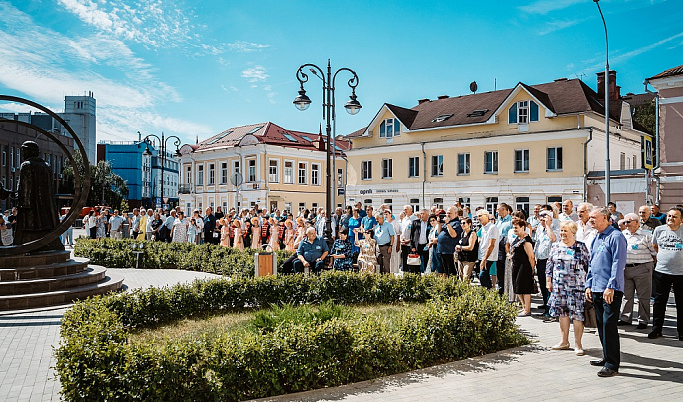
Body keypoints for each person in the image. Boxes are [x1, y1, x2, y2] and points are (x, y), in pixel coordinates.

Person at [585, 206, 627, 377]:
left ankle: (612, 363)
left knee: (609, 325)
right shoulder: (597, 237)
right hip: (596, 287)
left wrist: (611, 286)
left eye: (593, 218)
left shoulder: (616, 237)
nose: (590, 221)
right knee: (601, 325)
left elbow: (618, 264)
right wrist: (588, 284)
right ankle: (606, 356)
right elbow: (592, 263)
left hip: (611, 289)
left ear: (605, 217)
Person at [546, 220, 589, 355]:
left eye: (566, 231)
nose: (563, 233)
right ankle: (564, 341)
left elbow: (588, 266)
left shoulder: (581, 247)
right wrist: (548, 281)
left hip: (577, 287)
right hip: (559, 287)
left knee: (577, 315)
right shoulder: (555, 246)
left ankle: (578, 344)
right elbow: (549, 265)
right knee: (562, 314)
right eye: (562, 230)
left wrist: (589, 285)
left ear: (573, 233)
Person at [649, 206, 683, 340]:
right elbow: (655, 246)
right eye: (669, 215)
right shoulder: (659, 230)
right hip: (662, 271)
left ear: (681, 220)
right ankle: (656, 329)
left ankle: (681, 331)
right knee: (659, 302)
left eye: (674, 216)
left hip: (681, 273)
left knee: (681, 303)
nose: (670, 218)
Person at [618, 213, 655, 329]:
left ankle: (643, 320)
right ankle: (625, 318)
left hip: (642, 268)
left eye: (628, 222)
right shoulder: (623, 235)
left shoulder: (647, 235)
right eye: (624, 222)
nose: (626, 224)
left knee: (643, 296)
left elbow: (654, 252)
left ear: (636, 222)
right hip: (626, 268)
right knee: (626, 295)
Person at [509, 217, 536, 316]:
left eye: (516, 228)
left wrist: (532, 269)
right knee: (517, 287)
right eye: (514, 228)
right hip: (516, 265)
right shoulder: (517, 238)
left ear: (522, 227)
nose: (514, 230)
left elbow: (531, 256)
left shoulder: (526, 240)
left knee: (524, 288)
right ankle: (524, 306)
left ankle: (527, 309)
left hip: (524, 267)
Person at [534, 210, 559, 317]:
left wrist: (548, 226)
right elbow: (537, 242)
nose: (542, 218)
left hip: (550, 261)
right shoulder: (540, 228)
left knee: (550, 286)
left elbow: (553, 238)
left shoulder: (555, 226)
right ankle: (546, 306)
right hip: (540, 260)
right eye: (540, 216)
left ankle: (551, 311)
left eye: (545, 216)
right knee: (543, 285)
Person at [437, 206, 463, 277]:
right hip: (442, 250)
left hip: (450, 251)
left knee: (451, 272)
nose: (447, 215)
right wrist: (439, 223)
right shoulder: (447, 222)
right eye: (447, 213)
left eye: (450, 213)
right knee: (445, 271)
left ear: (456, 213)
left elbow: (453, 235)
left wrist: (448, 224)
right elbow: (439, 232)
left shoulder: (457, 223)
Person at [477, 210, 500, 289]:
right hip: (481, 255)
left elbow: (491, 244)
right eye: (477, 216)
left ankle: (489, 293)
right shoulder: (483, 228)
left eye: (480, 216)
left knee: (482, 275)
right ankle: (488, 294)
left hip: (488, 256)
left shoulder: (492, 227)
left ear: (486, 216)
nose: (478, 218)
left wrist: (484, 258)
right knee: (484, 277)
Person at [456, 217, 478, 283]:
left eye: (464, 223)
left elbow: (470, 247)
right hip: (461, 258)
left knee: (466, 277)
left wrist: (460, 247)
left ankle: (466, 292)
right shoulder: (462, 233)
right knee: (461, 276)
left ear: (469, 224)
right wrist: (458, 249)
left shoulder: (472, 234)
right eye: (461, 223)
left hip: (469, 259)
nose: (462, 225)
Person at [410, 209, 431, 274]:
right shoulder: (416, 222)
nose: (422, 215)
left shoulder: (429, 223)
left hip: (426, 246)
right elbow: (412, 235)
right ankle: (417, 277)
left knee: (426, 262)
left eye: (423, 214)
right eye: (421, 213)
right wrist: (412, 246)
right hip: (417, 245)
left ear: (428, 215)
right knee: (416, 263)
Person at [400, 205, 418, 272]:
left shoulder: (415, 219)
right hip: (404, 243)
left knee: (411, 262)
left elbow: (416, 233)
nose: (405, 211)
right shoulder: (404, 219)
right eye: (404, 209)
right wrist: (401, 239)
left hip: (411, 244)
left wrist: (409, 240)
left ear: (411, 210)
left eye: (406, 209)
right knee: (404, 261)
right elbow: (402, 231)